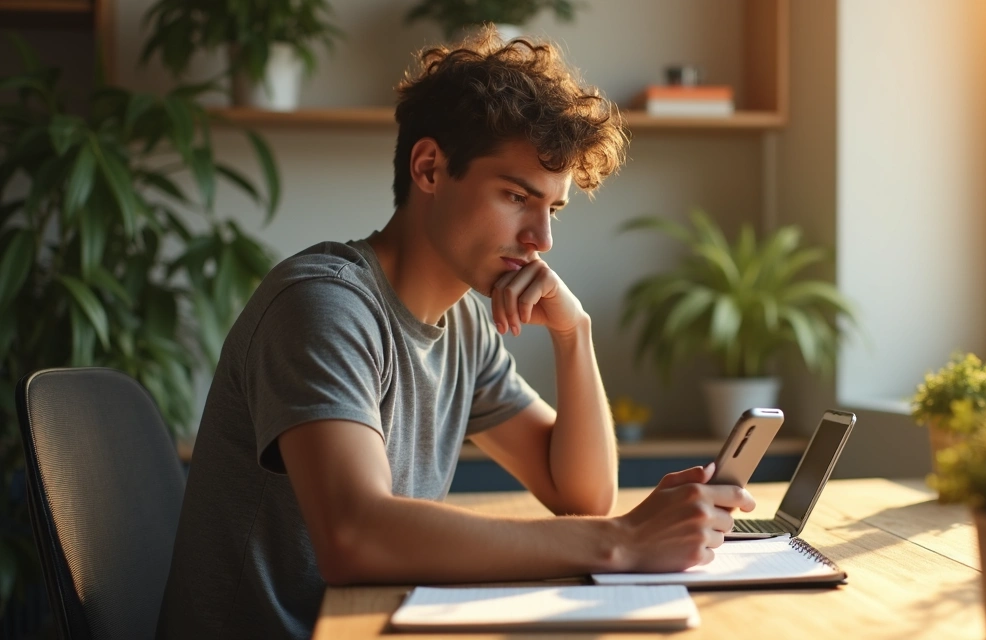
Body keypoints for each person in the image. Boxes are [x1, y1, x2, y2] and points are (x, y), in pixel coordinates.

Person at [156, 30, 755, 640]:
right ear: (429, 168)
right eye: (517, 196)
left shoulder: (465, 323)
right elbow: (353, 536)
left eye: (553, 208)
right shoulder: (323, 304)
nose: (541, 239)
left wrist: (575, 335)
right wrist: (622, 542)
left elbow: (580, 494)